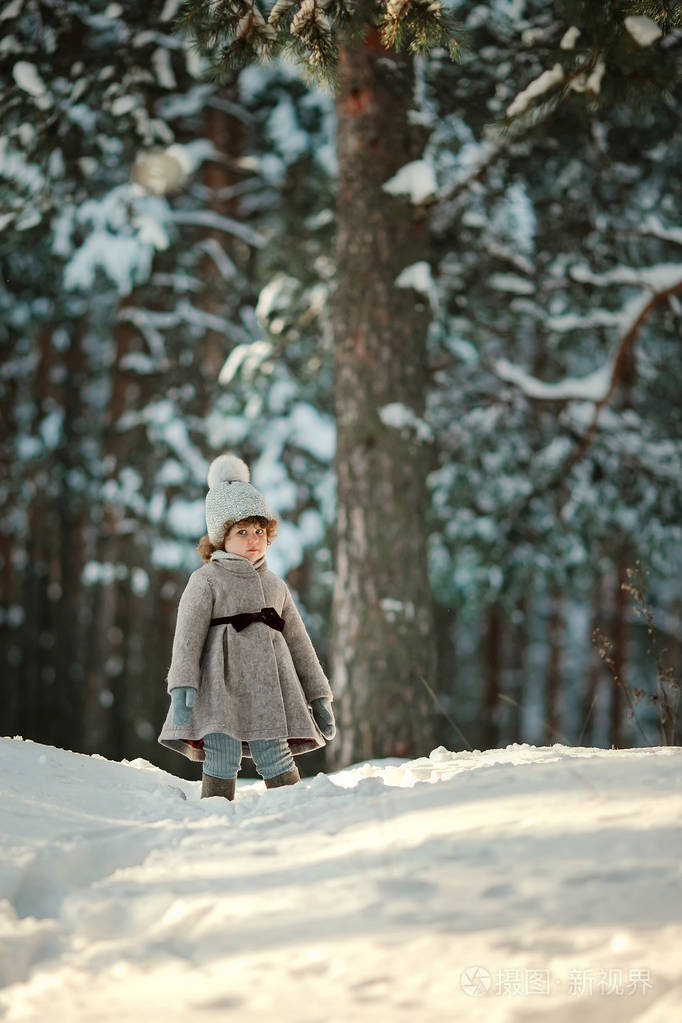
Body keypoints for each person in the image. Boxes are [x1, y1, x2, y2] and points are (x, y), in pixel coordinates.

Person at [158, 453, 336, 800]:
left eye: (260, 530)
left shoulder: (274, 585)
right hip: (219, 686)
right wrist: (182, 685)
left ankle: (294, 810)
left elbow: (300, 644)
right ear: (220, 536)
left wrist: (319, 695)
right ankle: (216, 813)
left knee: (274, 751)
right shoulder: (206, 580)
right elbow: (187, 638)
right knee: (221, 754)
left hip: (270, 688)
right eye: (242, 531)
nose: (254, 539)